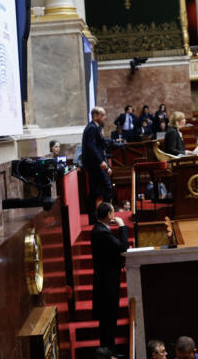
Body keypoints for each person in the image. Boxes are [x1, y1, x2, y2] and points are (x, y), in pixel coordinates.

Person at [91, 202, 128, 349]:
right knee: (109, 319)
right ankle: (108, 352)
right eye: (113, 213)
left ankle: (109, 352)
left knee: (109, 321)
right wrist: (122, 225)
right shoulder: (102, 232)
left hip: (106, 281)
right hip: (107, 284)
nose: (115, 216)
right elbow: (122, 247)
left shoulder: (100, 229)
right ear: (108, 215)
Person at [83, 107, 113, 221]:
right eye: (103, 115)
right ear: (95, 116)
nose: (105, 117)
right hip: (95, 164)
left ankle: (94, 218)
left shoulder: (95, 127)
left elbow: (100, 146)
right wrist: (101, 161)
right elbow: (91, 146)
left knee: (95, 191)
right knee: (107, 188)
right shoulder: (91, 128)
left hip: (95, 164)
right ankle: (104, 215)